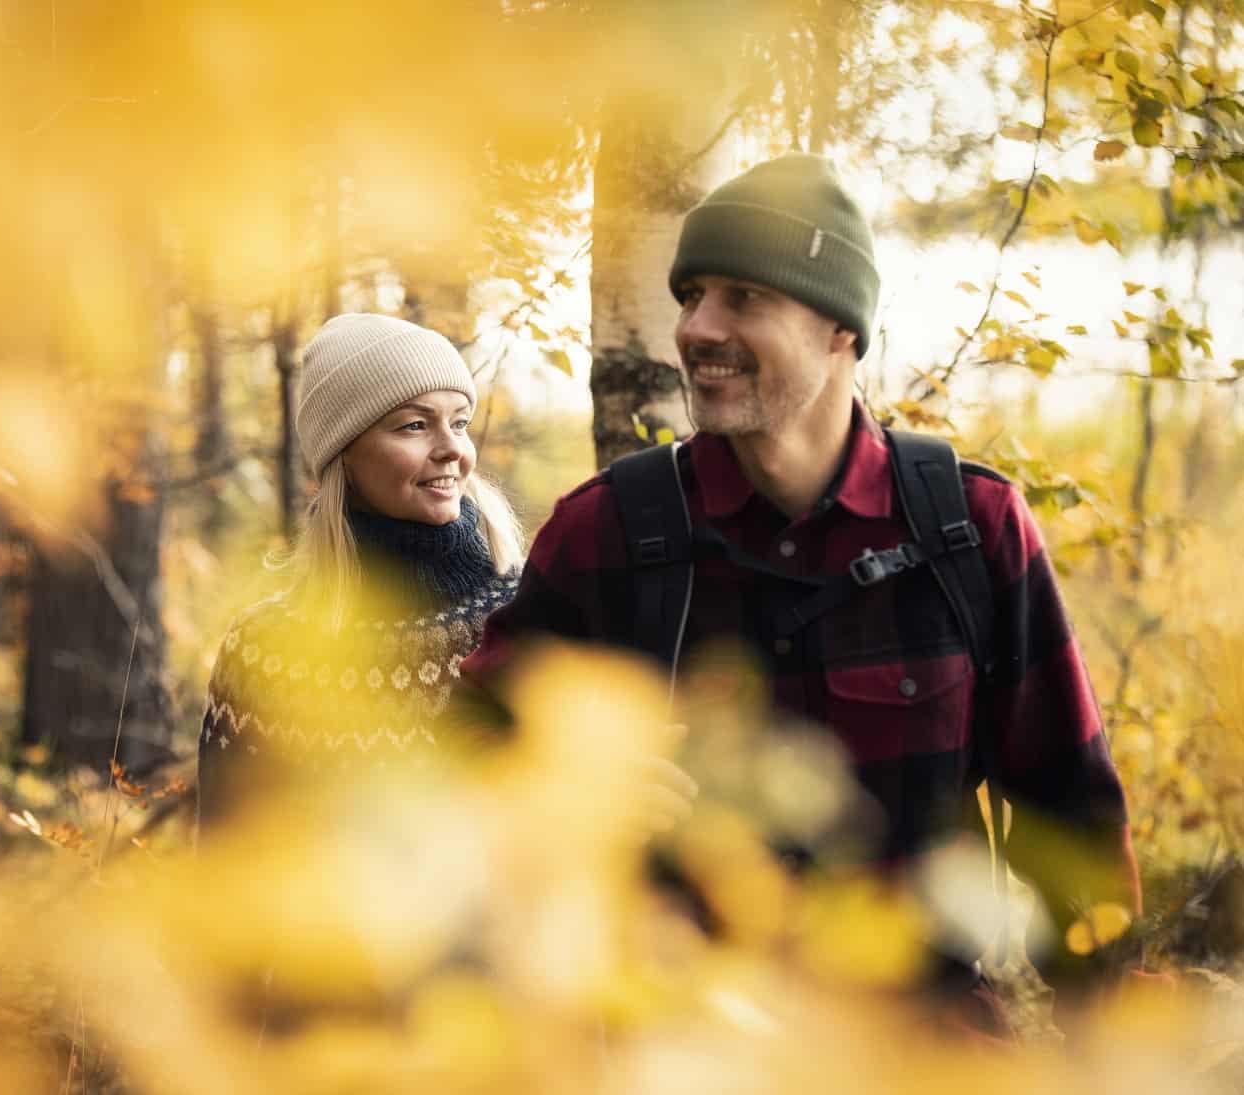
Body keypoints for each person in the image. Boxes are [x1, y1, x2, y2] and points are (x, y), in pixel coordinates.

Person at [461, 153, 1141, 1020]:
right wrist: (573, 797)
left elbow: (1071, 816)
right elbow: (465, 773)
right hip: (678, 1055)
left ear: (839, 330)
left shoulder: (969, 527)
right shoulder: (607, 533)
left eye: (744, 297)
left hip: (921, 1051)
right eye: (690, 295)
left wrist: (1119, 1039)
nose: (697, 328)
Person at [197, 313, 524, 829]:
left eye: (459, 422)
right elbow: (227, 857)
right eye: (415, 425)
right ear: (344, 456)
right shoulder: (265, 651)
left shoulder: (531, 611)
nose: (452, 449)